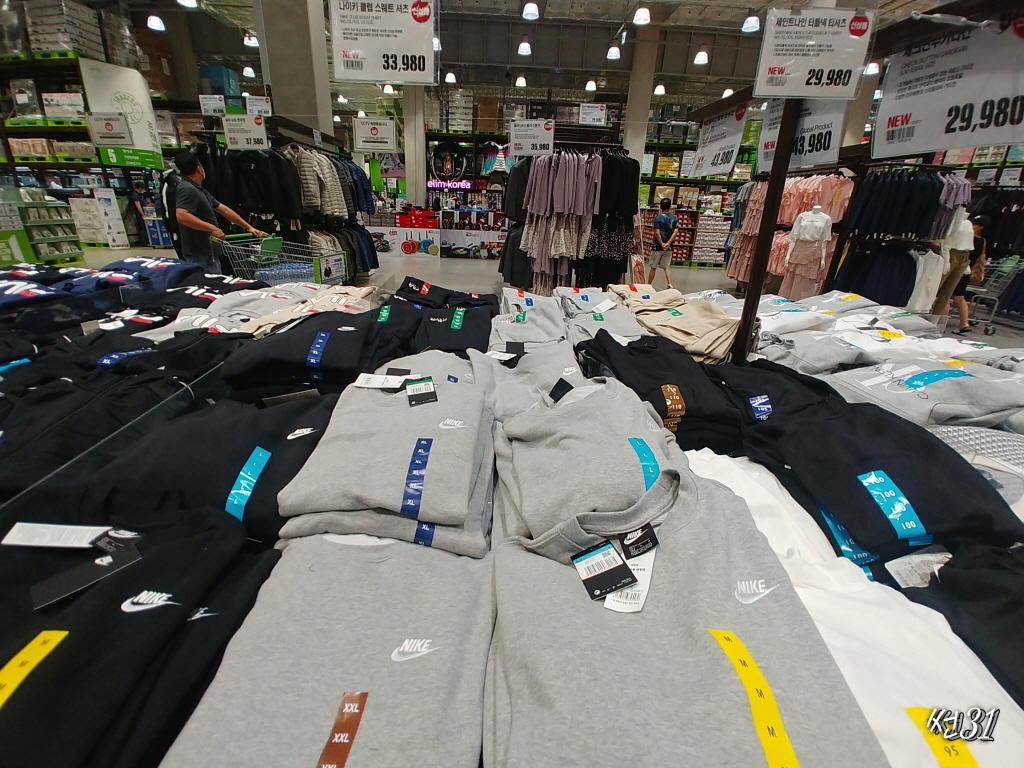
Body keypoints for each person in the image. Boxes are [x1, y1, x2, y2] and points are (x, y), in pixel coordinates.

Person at [173, 150, 263, 271]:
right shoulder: (187, 188)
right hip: (200, 254)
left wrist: (248, 227)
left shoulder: (198, 189)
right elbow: (182, 215)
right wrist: (212, 228)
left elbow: (223, 209)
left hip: (209, 252)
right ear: (199, 168)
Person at [951, 215, 990, 335]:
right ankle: (964, 323)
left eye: (975, 224)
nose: (971, 225)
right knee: (958, 298)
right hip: (965, 271)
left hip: (960, 270)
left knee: (948, 297)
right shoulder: (981, 241)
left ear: (981, 227)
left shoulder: (972, 240)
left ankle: (939, 322)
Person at [648, 198, 678, 288]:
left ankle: (649, 285)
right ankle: (670, 284)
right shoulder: (674, 218)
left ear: (660, 207)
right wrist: (668, 243)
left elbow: (657, 232)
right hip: (669, 248)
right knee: (666, 267)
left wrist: (661, 243)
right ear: (670, 207)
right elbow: (675, 231)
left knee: (653, 267)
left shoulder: (658, 218)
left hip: (657, 247)